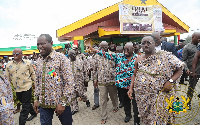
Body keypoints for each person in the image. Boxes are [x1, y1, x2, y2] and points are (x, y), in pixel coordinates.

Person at [128, 35, 184, 124]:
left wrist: (170, 81)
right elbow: (134, 74)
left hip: (162, 95)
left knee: (161, 119)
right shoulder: (138, 59)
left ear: (155, 43)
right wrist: (131, 88)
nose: (145, 45)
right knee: (147, 119)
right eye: (143, 43)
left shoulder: (166, 56)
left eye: (148, 43)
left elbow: (180, 69)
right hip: (143, 98)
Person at [89, 42, 140, 124]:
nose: (126, 51)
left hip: (134, 85)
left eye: (128, 49)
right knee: (126, 102)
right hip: (122, 86)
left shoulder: (137, 58)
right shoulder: (119, 56)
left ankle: (136, 120)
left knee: (135, 103)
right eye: (125, 49)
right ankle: (128, 115)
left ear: (133, 49)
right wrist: (95, 50)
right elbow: (106, 55)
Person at [33, 34, 75, 125]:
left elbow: (69, 82)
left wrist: (62, 103)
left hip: (60, 103)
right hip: (44, 104)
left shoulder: (61, 58)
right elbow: (37, 82)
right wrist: (36, 99)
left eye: (42, 44)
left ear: (51, 43)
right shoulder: (39, 61)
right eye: (38, 44)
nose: (40, 46)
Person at [5, 48, 37, 125]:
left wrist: (35, 83)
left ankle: (21, 123)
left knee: (25, 108)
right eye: (13, 54)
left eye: (17, 54)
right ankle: (33, 113)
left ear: (21, 54)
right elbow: (7, 78)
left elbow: (32, 73)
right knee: (25, 103)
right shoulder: (9, 65)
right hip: (17, 89)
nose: (15, 55)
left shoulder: (27, 63)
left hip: (27, 87)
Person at [92, 41, 118, 124]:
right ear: (99, 47)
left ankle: (115, 106)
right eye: (101, 47)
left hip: (111, 80)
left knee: (113, 96)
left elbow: (117, 67)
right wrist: (95, 79)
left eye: (105, 47)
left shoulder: (112, 55)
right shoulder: (96, 56)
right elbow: (94, 69)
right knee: (103, 99)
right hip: (101, 81)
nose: (103, 48)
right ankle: (104, 116)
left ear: (108, 47)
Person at [68, 50, 90, 115]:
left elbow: (85, 71)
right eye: (72, 55)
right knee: (72, 96)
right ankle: (75, 109)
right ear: (69, 56)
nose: (74, 56)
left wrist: (86, 80)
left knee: (82, 94)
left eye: (74, 54)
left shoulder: (80, 62)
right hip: (71, 83)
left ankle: (86, 100)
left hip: (79, 82)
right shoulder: (67, 63)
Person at [182, 32, 200, 108]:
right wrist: (186, 69)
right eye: (198, 38)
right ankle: (188, 102)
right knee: (191, 87)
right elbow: (184, 60)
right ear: (193, 37)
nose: (199, 39)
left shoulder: (199, 46)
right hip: (193, 70)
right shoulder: (187, 47)